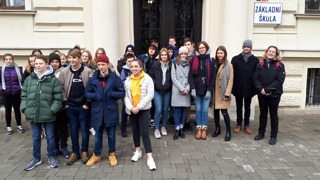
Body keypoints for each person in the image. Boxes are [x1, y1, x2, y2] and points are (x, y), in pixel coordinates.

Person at [21, 55, 63, 171]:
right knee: (35, 137)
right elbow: (24, 95)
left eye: (40, 63)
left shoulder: (53, 80)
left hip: (48, 114)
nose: (38, 65)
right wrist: (25, 108)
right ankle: (36, 158)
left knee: (50, 137)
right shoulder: (30, 79)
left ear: (46, 64)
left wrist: (52, 110)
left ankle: (51, 157)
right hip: (33, 113)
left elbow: (58, 98)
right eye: (36, 63)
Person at [85, 54, 125, 167]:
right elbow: (87, 93)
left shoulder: (115, 78)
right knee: (98, 135)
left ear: (108, 64)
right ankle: (96, 155)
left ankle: (111, 154)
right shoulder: (93, 79)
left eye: (103, 64)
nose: (101, 67)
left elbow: (122, 92)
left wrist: (111, 94)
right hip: (97, 111)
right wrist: (95, 96)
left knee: (111, 134)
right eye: (99, 65)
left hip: (110, 110)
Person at [59, 47, 93, 165]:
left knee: (84, 129)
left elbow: (91, 88)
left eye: (74, 58)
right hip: (70, 106)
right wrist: (65, 103)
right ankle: (75, 152)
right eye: (70, 58)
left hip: (83, 106)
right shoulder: (64, 72)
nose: (71, 60)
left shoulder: (88, 71)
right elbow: (61, 88)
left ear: (79, 58)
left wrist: (87, 103)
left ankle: (84, 151)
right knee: (73, 130)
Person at [124, 59, 156, 171]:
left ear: (141, 67)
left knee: (145, 132)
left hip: (143, 109)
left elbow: (150, 95)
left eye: (136, 66)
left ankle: (149, 157)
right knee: (135, 131)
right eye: (132, 66)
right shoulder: (127, 80)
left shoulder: (147, 79)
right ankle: (137, 151)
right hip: (132, 110)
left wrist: (139, 107)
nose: (133, 68)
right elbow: (126, 97)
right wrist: (131, 107)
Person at [253, 45, 286, 145]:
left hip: (274, 95)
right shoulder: (260, 64)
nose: (271, 53)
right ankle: (261, 133)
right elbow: (255, 78)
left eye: (273, 52)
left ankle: (273, 136)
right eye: (269, 51)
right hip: (262, 93)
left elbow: (280, 80)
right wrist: (261, 89)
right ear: (266, 52)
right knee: (263, 114)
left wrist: (267, 89)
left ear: (276, 54)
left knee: (273, 115)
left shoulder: (280, 65)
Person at [231, 40, 260, 134]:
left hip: (249, 88)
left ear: (251, 48)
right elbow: (232, 74)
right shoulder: (235, 59)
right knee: (239, 107)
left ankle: (246, 125)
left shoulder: (255, 60)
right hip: (238, 87)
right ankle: (239, 124)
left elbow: (257, 75)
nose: (246, 48)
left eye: (248, 47)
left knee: (248, 107)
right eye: (245, 46)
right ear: (242, 47)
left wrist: (255, 87)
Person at [189, 41, 215, 140]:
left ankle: (204, 129)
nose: (201, 49)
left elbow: (213, 77)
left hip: (206, 88)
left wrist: (209, 90)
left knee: (205, 110)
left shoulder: (211, 60)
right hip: (197, 88)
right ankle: (198, 129)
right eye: (199, 48)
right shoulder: (194, 60)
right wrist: (193, 89)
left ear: (206, 48)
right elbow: (190, 76)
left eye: (203, 47)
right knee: (198, 110)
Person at [48, 53, 70, 159]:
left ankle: (64, 147)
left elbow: (65, 88)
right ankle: (56, 148)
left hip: (62, 105)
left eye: (56, 61)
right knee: (53, 128)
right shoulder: (47, 73)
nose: (54, 64)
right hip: (51, 106)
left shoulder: (64, 72)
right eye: (52, 62)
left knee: (63, 128)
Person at [212, 46, 234, 141]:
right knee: (215, 112)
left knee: (224, 113)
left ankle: (228, 131)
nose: (219, 55)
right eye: (218, 53)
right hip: (214, 91)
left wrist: (227, 93)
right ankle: (217, 129)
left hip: (223, 92)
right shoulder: (214, 64)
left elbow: (230, 80)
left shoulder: (229, 65)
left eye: (221, 53)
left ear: (224, 54)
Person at [149, 48, 172, 139]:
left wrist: (169, 84)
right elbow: (150, 75)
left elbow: (172, 77)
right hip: (157, 90)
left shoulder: (171, 65)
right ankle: (156, 128)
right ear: (160, 56)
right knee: (158, 109)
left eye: (165, 55)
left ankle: (163, 127)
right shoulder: (156, 65)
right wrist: (156, 84)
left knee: (165, 109)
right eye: (162, 55)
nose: (163, 56)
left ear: (168, 56)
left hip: (167, 90)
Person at [0, 53, 24, 135]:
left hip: (16, 92)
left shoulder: (18, 69)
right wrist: (1, 89)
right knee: (8, 110)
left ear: (13, 60)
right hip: (6, 93)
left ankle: (19, 125)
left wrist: (19, 88)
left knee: (17, 110)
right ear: (4, 60)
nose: (8, 61)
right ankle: (8, 127)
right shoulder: (1, 69)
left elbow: (21, 80)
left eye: (10, 59)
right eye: (6, 59)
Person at [171, 46, 191, 140]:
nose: (184, 55)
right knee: (176, 112)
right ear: (179, 54)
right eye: (182, 54)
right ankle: (177, 129)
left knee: (183, 111)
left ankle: (182, 128)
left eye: (185, 54)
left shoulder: (190, 64)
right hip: (177, 91)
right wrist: (182, 89)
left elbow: (191, 78)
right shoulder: (174, 64)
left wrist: (187, 88)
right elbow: (173, 78)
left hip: (186, 90)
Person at [137, 44, 158, 128]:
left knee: (153, 102)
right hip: (144, 80)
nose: (151, 51)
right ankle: (143, 119)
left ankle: (152, 118)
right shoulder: (144, 58)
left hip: (154, 82)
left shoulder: (157, 59)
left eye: (153, 49)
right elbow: (134, 56)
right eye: (150, 49)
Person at [120, 53, 134, 137]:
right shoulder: (124, 70)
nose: (131, 62)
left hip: (136, 94)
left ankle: (136, 128)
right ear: (126, 62)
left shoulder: (136, 68)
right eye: (129, 61)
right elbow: (122, 81)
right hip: (126, 94)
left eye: (132, 60)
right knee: (125, 112)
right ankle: (123, 129)